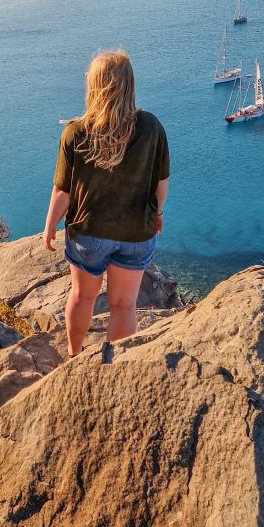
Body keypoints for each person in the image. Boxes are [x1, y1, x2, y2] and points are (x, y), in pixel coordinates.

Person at [42, 49, 169, 357]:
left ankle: (74, 355)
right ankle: (113, 368)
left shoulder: (75, 133)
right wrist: (158, 213)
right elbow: (160, 182)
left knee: (83, 298)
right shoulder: (151, 127)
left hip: (89, 232)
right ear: (129, 84)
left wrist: (49, 227)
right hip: (137, 233)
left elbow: (63, 193)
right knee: (124, 305)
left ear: (94, 86)